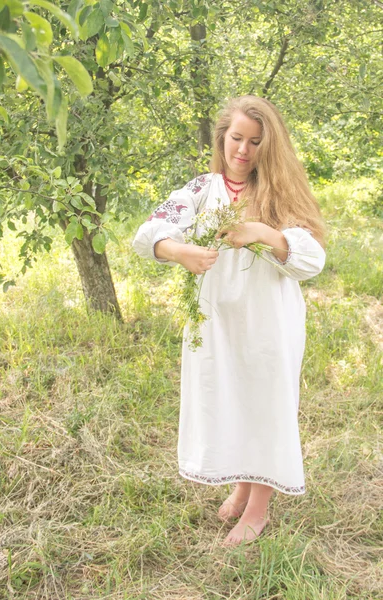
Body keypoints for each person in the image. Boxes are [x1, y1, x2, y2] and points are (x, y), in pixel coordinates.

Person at [133, 95, 326, 547]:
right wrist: (176, 250)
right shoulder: (203, 188)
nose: (243, 150)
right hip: (217, 320)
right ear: (222, 138)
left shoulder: (278, 193)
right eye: (236, 138)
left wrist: (263, 232)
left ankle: (258, 507)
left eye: (255, 142)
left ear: (269, 147)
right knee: (230, 398)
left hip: (267, 320)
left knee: (264, 403)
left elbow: (311, 259)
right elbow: (149, 232)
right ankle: (242, 483)